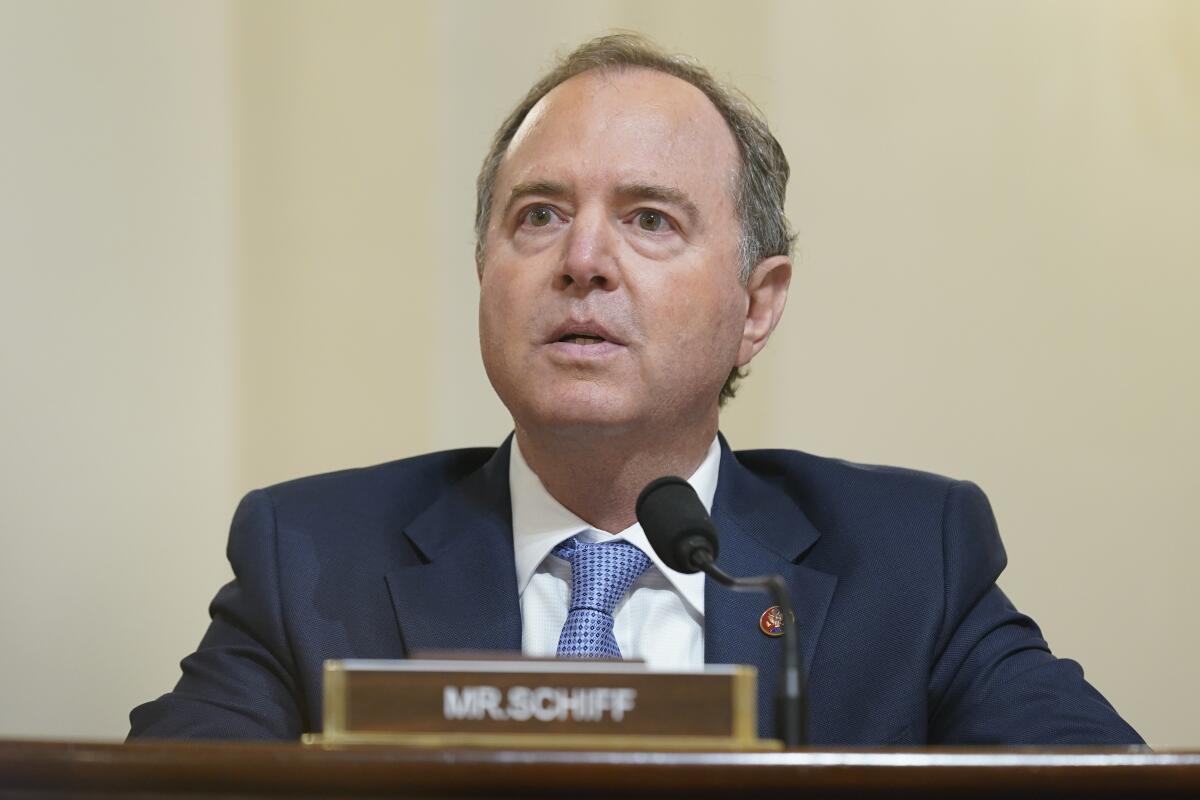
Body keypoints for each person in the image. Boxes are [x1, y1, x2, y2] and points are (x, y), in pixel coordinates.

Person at [129, 33, 1141, 745]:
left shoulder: (911, 561)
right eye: (536, 215)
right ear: (485, 271)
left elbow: (1106, 787)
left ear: (758, 302)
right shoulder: (311, 557)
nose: (582, 259)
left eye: (650, 218)